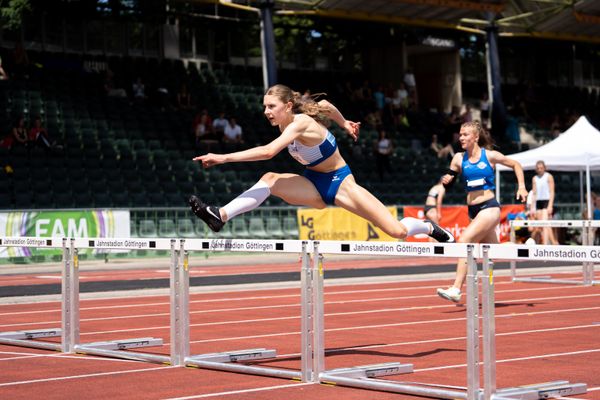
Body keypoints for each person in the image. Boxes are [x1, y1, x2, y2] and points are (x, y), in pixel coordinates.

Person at [188, 84, 455, 243]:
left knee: (396, 231)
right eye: (265, 106)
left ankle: (427, 227)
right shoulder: (290, 121)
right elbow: (325, 105)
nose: (266, 111)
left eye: (271, 106)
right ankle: (219, 216)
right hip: (312, 183)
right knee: (270, 179)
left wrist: (222, 157)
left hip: (340, 183)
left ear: (288, 105)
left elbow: (269, 151)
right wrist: (344, 123)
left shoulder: (300, 123)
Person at [436, 121, 527, 303]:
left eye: (465, 135)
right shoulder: (458, 159)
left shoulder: (490, 156)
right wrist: (447, 180)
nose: (461, 137)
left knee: (464, 241)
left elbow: (516, 164)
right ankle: (526, 248)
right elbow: (451, 180)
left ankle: (456, 288)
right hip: (473, 211)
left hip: (490, 207)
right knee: (492, 252)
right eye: (460, 134)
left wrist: (522, 187)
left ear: (476, 137)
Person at [530, 160, 558, 245]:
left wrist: (550, 205)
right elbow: (534, 193)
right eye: (538, 168)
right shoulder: (534, 178)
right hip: (538, 201)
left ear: (544, 168)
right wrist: (532, 207)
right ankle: (552, 243)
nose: (540, 169)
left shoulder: (549, 176)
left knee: (545, 224)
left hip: (546, 201)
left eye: (541, 168)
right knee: (540, 225)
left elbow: (552, 192)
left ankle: (547, 244)